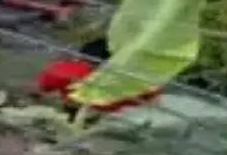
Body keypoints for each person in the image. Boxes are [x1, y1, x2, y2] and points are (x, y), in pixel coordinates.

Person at [34, 38, 163, 118]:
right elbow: (154, 105)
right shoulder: (139, 79)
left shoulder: (61, 72)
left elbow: (37, 94)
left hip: (87, 111)